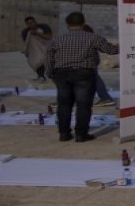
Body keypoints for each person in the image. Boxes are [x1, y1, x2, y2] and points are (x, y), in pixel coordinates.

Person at [45, 11, 119, 142]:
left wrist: (51, 74)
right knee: (83, 105)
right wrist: (128, 43)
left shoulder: (57, 40)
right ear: (84, 23)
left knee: (64, 104)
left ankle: (64, 133)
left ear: (67, 24)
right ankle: (81, 134)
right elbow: (111, 50)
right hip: (84, 73)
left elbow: (49, 59)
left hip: (61, 73)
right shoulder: (93, 38)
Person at [82, 23, 115, 107]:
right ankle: (105, 98)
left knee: (94, 78)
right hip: (91, 58)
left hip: (88, 58)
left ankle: (105, 98)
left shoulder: (83, 29)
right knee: (92, 78)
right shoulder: (86, 28)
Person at [21, 16, 53, 82]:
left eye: (32, 22)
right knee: (37, 60)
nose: (31, 24)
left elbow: (49, 37)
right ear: (27, 24)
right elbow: (27, 42)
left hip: (46, 47)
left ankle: (47, 75)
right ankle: (41, 76)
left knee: (47, 61)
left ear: (35, 21)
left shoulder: (44, 27)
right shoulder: (25, 31)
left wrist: (37, 33)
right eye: (28, 23)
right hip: (35, 50)